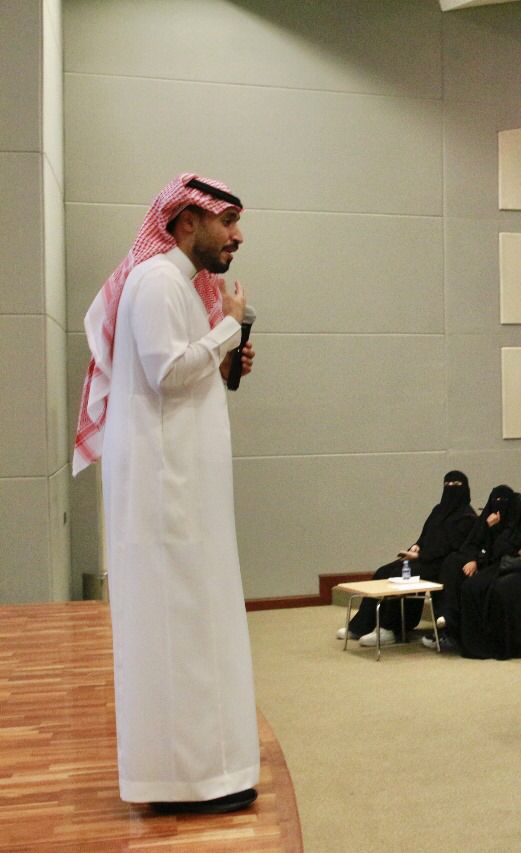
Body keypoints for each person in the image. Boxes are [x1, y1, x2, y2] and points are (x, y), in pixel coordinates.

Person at [75, 174, 260, 812]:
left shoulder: (176, 285)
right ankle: (184, 783)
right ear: (185, 222)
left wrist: (226, 357)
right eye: (226, 221)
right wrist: (227, 331)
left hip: (182, 492)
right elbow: (165, 371)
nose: (237, 236)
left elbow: (186, 372)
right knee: (177, 634)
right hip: (166, 494)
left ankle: (205, 775)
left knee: (196, 630)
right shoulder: (156, 281)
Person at [340, 471, 477, 645]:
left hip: (440, 565)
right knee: (384, 571)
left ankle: (391, 629)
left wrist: (420, 555)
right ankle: (361, 626)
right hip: (423, 557)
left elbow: (452, 548)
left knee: (399, 574)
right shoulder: (438, 510)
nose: (450, 489)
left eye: (456, 485)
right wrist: (416, 546)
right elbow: (426, 535)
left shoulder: (467, 517)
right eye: (447, 485)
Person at [456, 482, 521, 660]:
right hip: (509, 564)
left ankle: (508, 643)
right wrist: (516, 546)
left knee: (502, 589)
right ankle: (478, 643)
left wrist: (513, 545)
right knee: (471, 586)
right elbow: (501, 544)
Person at [432, 484, 517, 649]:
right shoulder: (484, 520)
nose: (498, 504)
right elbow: (473, 542)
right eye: (495, 500)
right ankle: (447, 621)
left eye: (503, 500)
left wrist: (494, 530)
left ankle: (454, 626)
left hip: (497, 564)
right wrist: (473, 558)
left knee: (466, 581)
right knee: (452, 562)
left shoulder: (512, 523)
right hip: (480, 559)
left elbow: (500, 548)